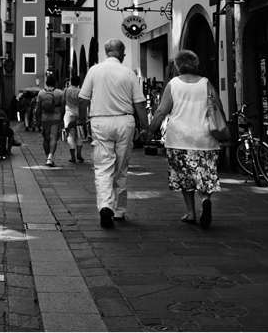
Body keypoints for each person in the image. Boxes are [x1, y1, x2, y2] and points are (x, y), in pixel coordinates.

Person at [78, 38, 149, 227]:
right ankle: (119, 210)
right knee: (121, 168)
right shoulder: (129, 73)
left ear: (107, 52)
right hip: (125, 121)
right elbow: (140, 104)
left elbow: (83, 99)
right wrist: (147, 127)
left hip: (100, 121)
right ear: (121, 52)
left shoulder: (94, 70)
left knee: (103, 168)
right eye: (124, 53)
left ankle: (105, 206)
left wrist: (82, 119)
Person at [147, 49, 221, 229]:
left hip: (179, 139)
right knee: (205, 173)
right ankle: (204, 200)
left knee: (185, 175)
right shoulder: (206, 83)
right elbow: (218, 108)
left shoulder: (173, 84)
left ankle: (190, 213)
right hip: (205, 138)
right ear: (196, 65)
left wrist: (151, 129)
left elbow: (162, 111)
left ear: (178, 66)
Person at [35, 76, 64, 167]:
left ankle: (47, 157)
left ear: (46, 83)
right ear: (54, 83)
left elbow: (38, 108)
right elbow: (63, 107)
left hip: (44, 118)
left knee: (45, 138)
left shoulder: (41, 93)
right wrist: (62, 117)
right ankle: (50, 157)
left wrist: (37, 120)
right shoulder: (59, 93)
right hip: (56, 118)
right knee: (53, 137)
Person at [64, 76, 84, 163]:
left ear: (71, 81)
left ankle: (72, 157)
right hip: (78, 113)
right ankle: (79, 153)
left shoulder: (66, 90)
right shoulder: (81, 91)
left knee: (70, 135)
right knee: (79, 135)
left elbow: (63, 101)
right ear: (78, 82)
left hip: (69, 114)